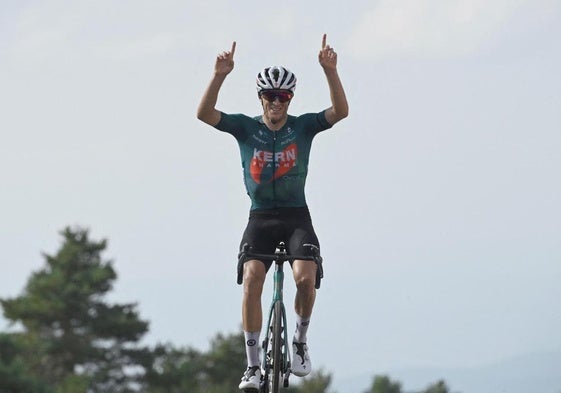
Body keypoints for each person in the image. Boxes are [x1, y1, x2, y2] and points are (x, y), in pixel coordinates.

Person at [196, 34, 348, 391]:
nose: (276, 102)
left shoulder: (303, 127)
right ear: (260, 97)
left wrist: (330, 71)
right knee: (251, 280)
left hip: (297, 216)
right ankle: (251, 367)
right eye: (270, 96)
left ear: (290, 99)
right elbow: (204, 114)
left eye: (283, 96)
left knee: (304, 280)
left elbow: (340, 112)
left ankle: (299, 341)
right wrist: (219, 75)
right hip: (260, 217)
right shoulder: (246, 128)